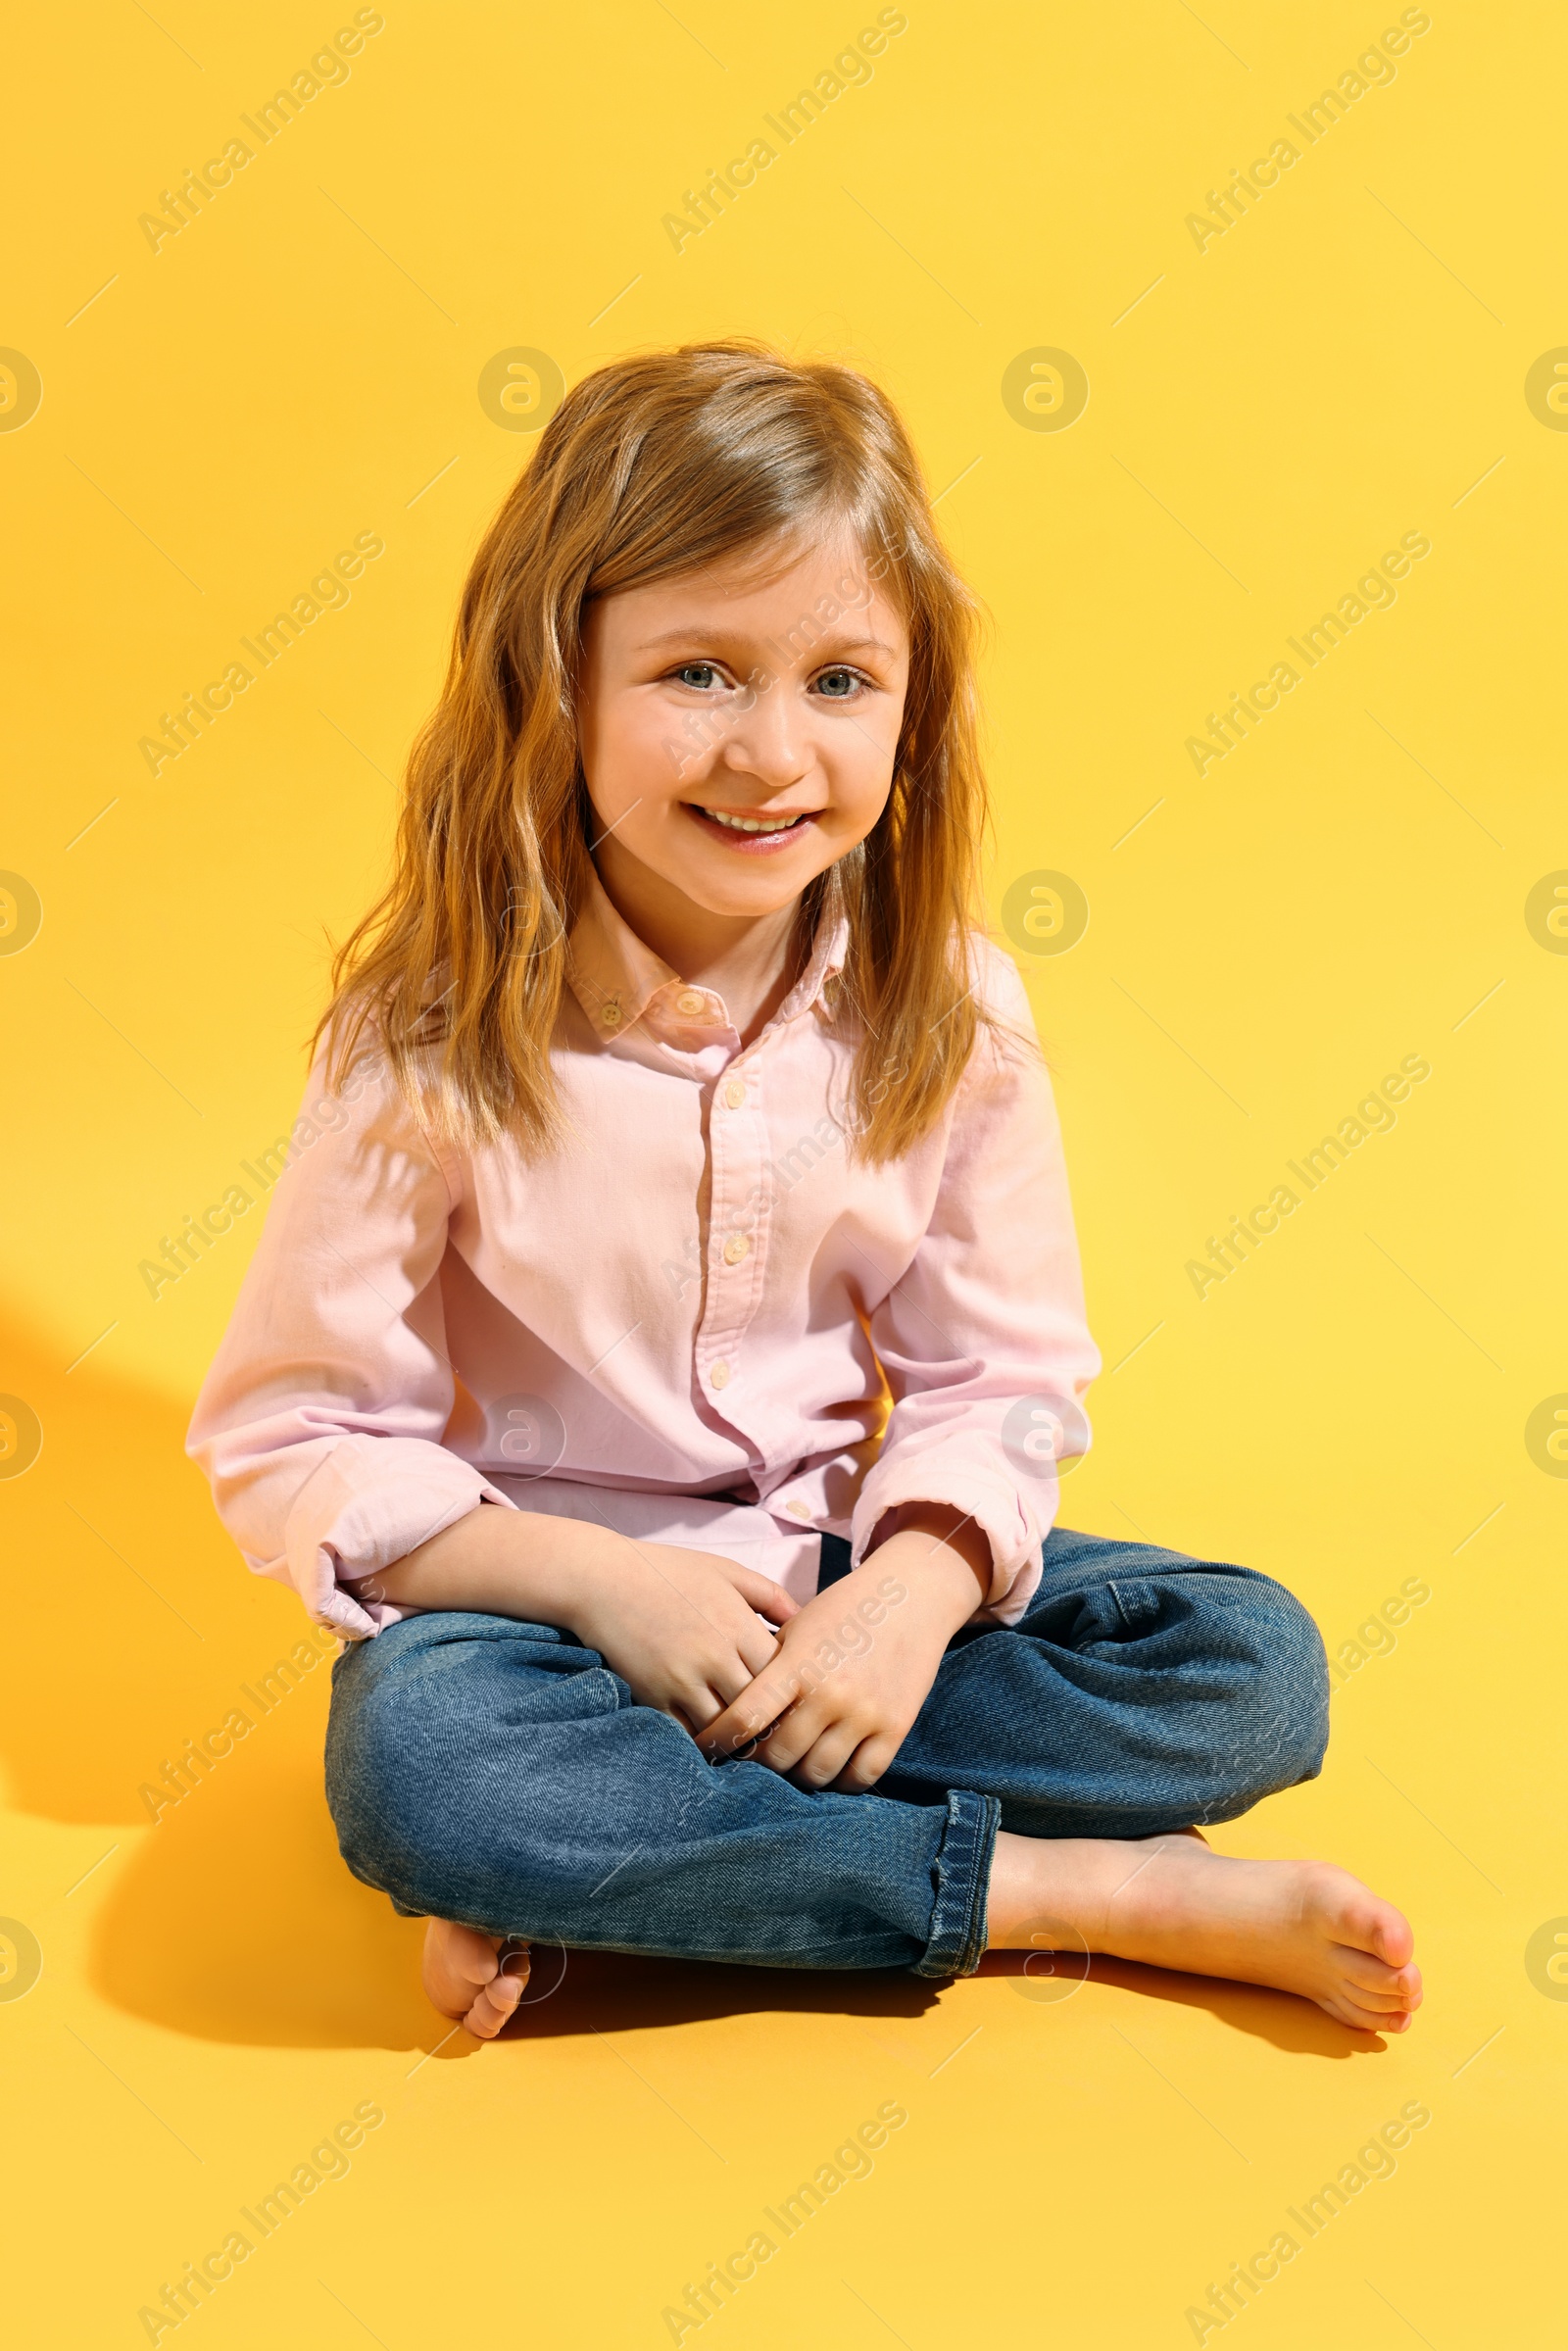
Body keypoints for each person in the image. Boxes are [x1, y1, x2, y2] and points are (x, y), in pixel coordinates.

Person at [187, 342, 1421, 2042]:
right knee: (428, 1772)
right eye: (699, 671)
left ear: (914, 711)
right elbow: (294, 1436)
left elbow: (1004, 1379)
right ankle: (1078, 1892)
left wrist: (905, 1601)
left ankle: (646, 1883)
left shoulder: (954, 1002)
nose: (773, 754)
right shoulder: (430, 1030)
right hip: (547, 1634)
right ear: (558, 682)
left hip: (840, 1590)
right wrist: (598, 1584)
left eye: (841, 681)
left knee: (1246, 1671)